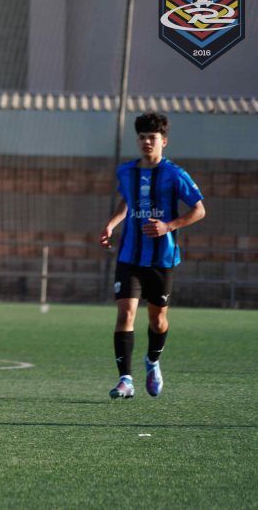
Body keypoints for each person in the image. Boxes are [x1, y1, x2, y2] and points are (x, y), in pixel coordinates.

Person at [100, 112, 205, 399]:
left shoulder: (175, 174)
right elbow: (128, 201)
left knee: (157, 320)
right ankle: (125, 380)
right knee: (126, 313)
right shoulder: (127, 172)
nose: (147, 142)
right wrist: (111, 224)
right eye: (143, 137)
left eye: (153, 138)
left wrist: (168, 225)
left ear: (164, 141)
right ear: (138, 141)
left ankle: (153, 361)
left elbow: (199, 210)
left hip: (162, 259)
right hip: (129, 256)